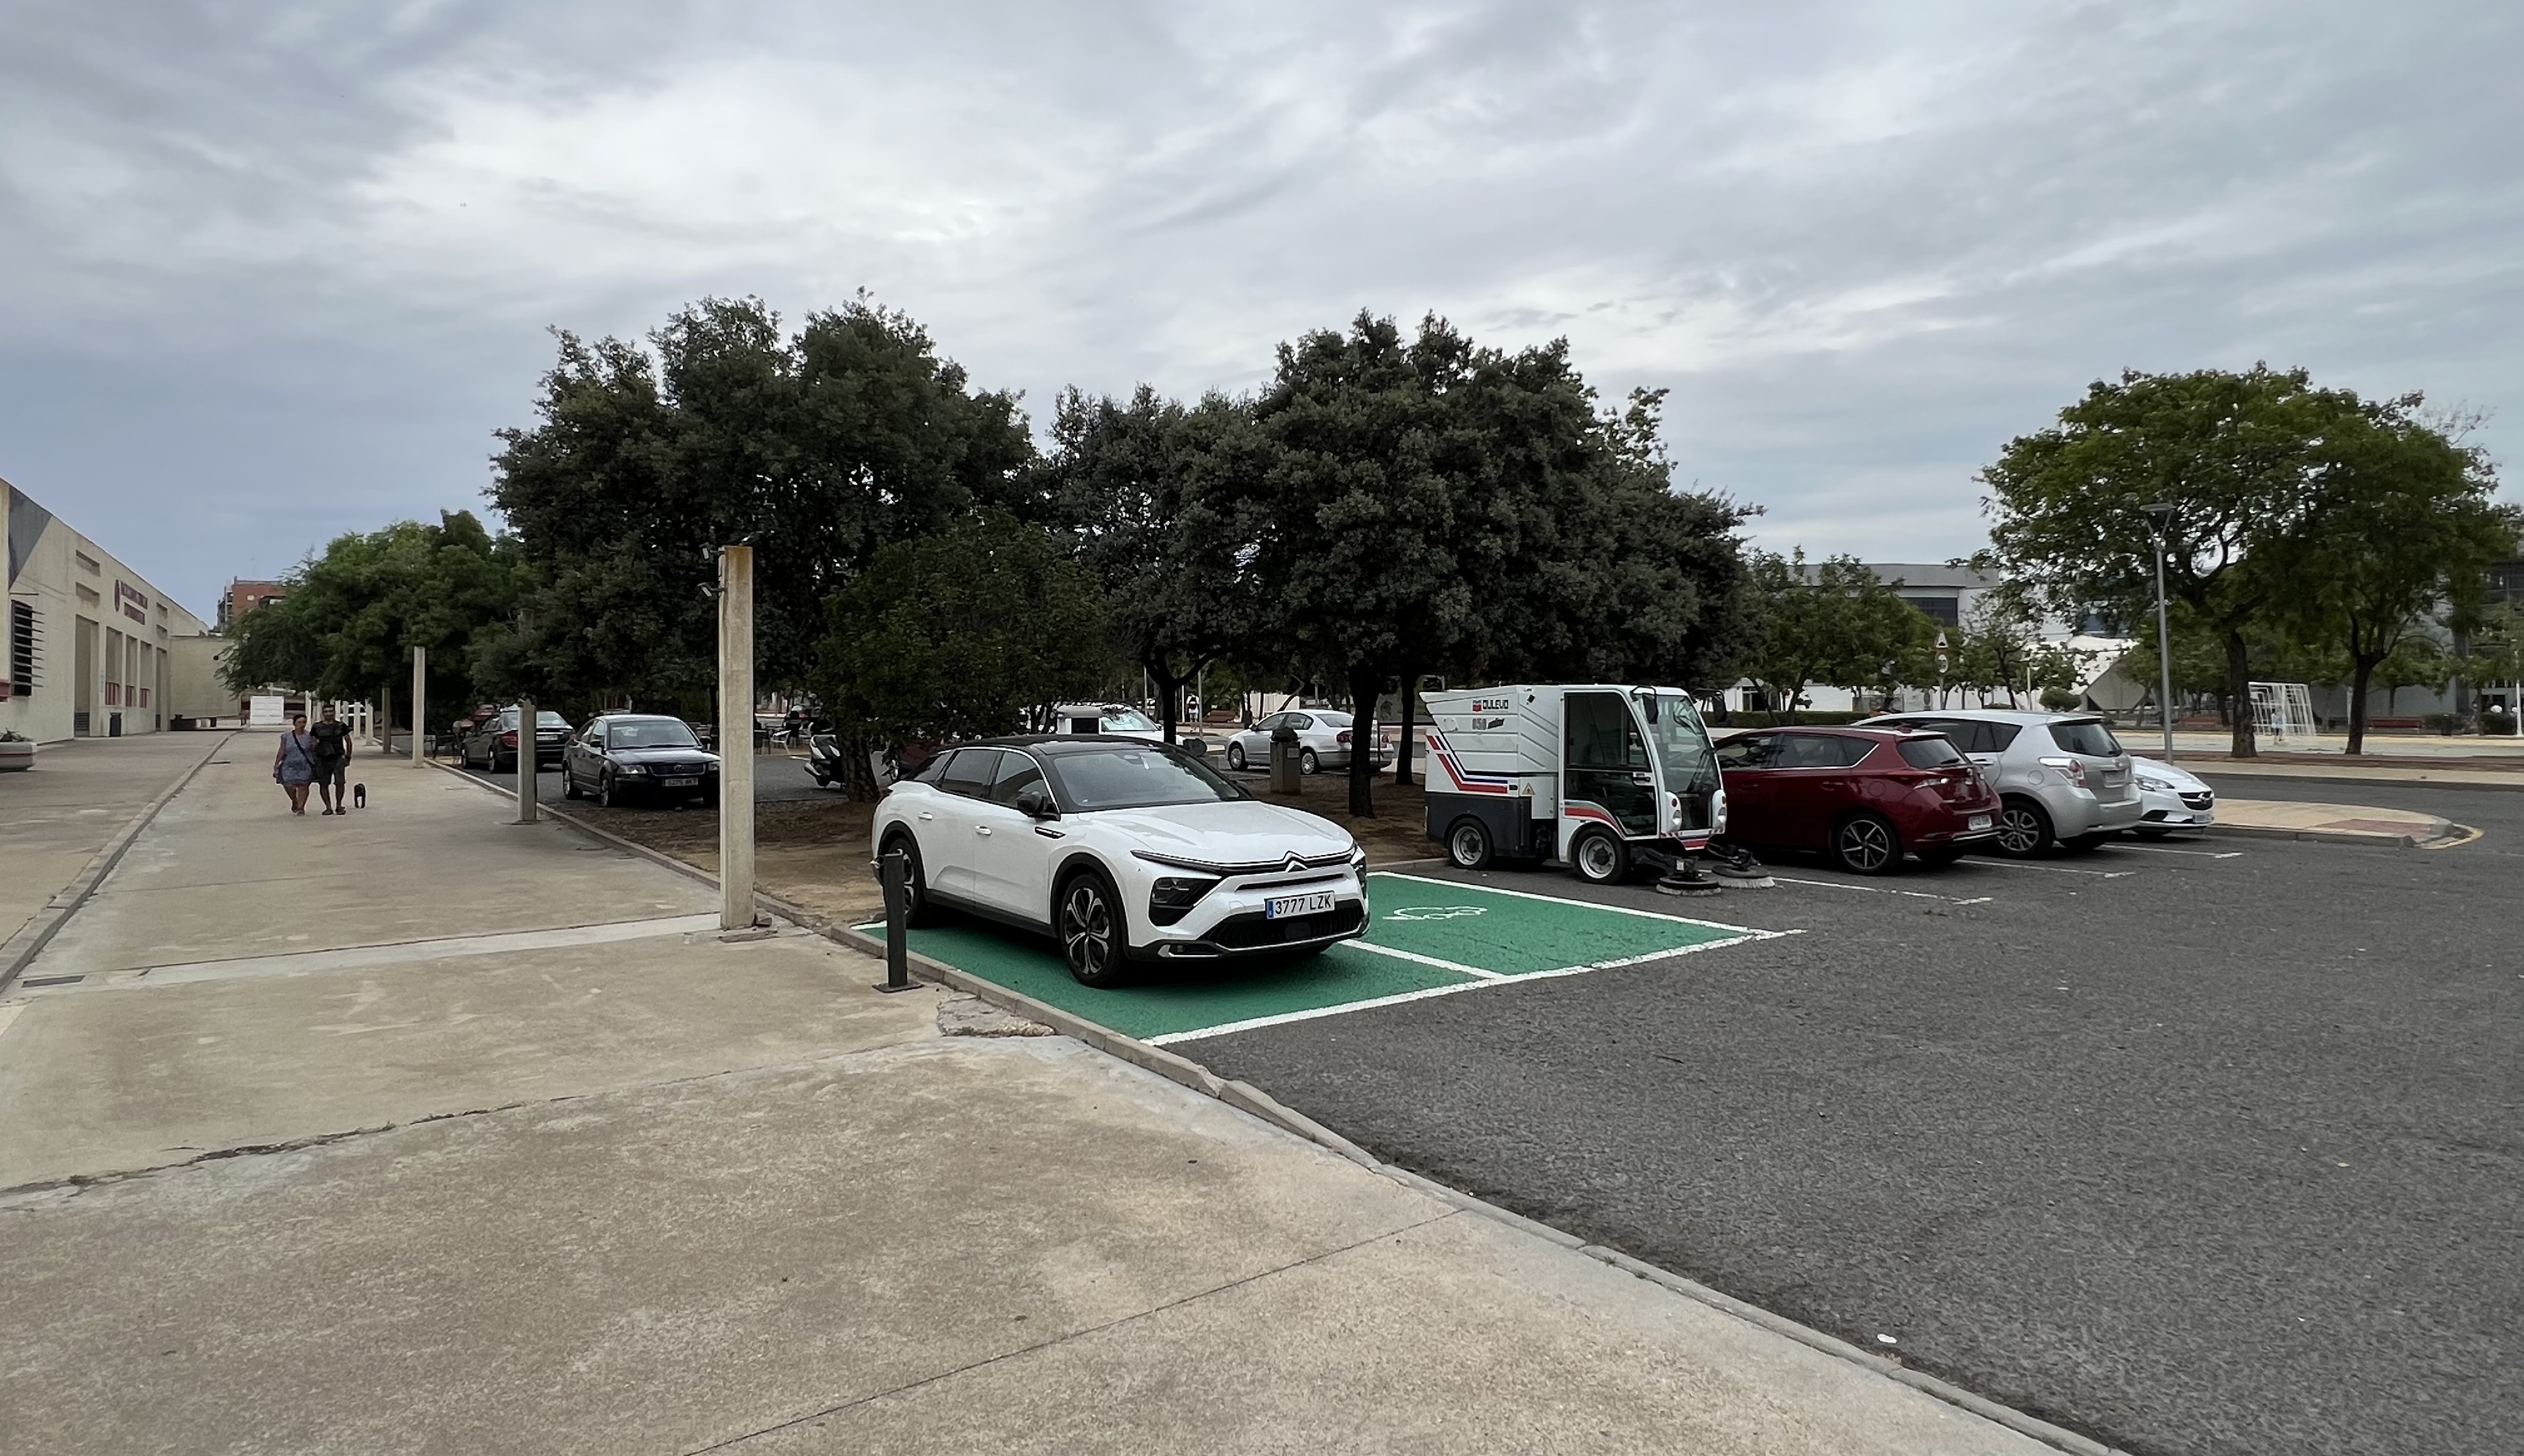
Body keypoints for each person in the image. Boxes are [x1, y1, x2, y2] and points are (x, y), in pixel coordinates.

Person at [307, 703, 354, 814]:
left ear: (334, 712)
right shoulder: (317, 727)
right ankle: (328, 807)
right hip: (322, 758)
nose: (329, 714)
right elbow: (312, 742)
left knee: (340, 782)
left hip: (338, 757)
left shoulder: (341, 726)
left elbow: (348, 741)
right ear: (323, 713)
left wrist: (348, 756)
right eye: (326, 712)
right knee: (323, 783)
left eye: (331, 711)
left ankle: (339, 805)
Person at [273, 712, 317, 815]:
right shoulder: (286, 736)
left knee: (304, 786)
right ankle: (294, 800)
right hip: (289, 764)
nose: (302, 725)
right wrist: (277, 763)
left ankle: (301, 807)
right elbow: (282, 749)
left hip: (304, 764)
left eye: (304, 722)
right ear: (294, 724)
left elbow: (313, 750)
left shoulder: (309, 736)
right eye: (299, 722)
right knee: (288, 785)